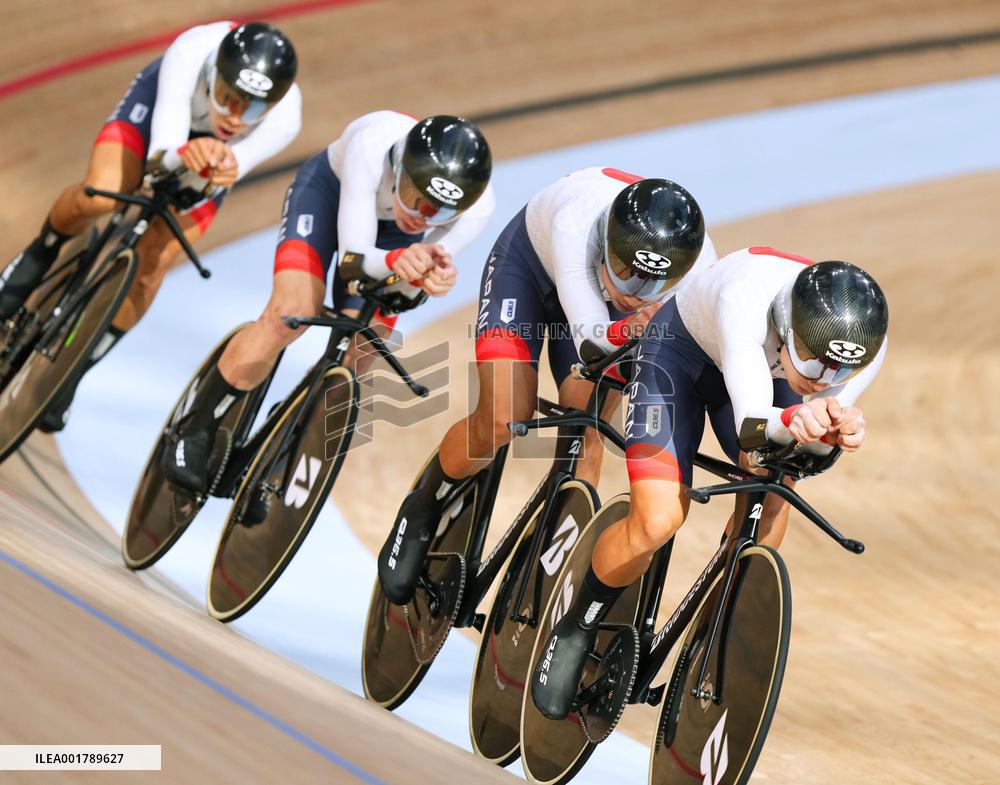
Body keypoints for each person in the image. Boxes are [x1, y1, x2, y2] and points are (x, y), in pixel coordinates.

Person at [530, 246, 890, 719]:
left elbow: (806, 444)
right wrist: (802, 418)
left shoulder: (867, 345)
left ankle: (710, 628)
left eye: (836, 369)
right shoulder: (747, 298)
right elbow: (753, 428)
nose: (820, 376)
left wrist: (833, 434)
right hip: (680, 357)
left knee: (777, 484)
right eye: (809, 357)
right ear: (785, 322)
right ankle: (577, 624)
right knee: (658, 521)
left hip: (766, 376)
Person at [377, 166, 717, 606]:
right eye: (625, 271)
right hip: (530, 272)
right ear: (606, 243)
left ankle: (546, 578)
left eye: (654, 283)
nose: (634, 291)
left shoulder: (699, 271)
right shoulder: (576, 223)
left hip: (607, 317)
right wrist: (633, 323)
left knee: (585, 430)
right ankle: (423, 504)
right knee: (504, 418)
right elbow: (592, 340)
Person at [160, 111, 495, 494]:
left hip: (389, 246)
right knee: (291, 313)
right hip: (330, 196)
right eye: (413, 197)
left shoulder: (477, 207)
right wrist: (396, 263)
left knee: (362, 355)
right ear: (399, 167)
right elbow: (354, 261)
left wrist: (432, 276)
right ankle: (195, 428)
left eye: (439, 212)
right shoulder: (372, 146)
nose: (420, 216)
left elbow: (423, 269)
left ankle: (285, 442)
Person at [0, 21, 302, 430]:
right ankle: (42, 252)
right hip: (163, 118)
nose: (234, 117)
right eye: (228, 98)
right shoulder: (191, 52)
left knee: (155, 262)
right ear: (214, 75)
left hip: (212, 161)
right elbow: (160, 156)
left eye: (250, 109)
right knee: (103, 194)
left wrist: (213, 166)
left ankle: (74, 370)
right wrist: (182, 155)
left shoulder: (285, 118)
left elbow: (229, 170)